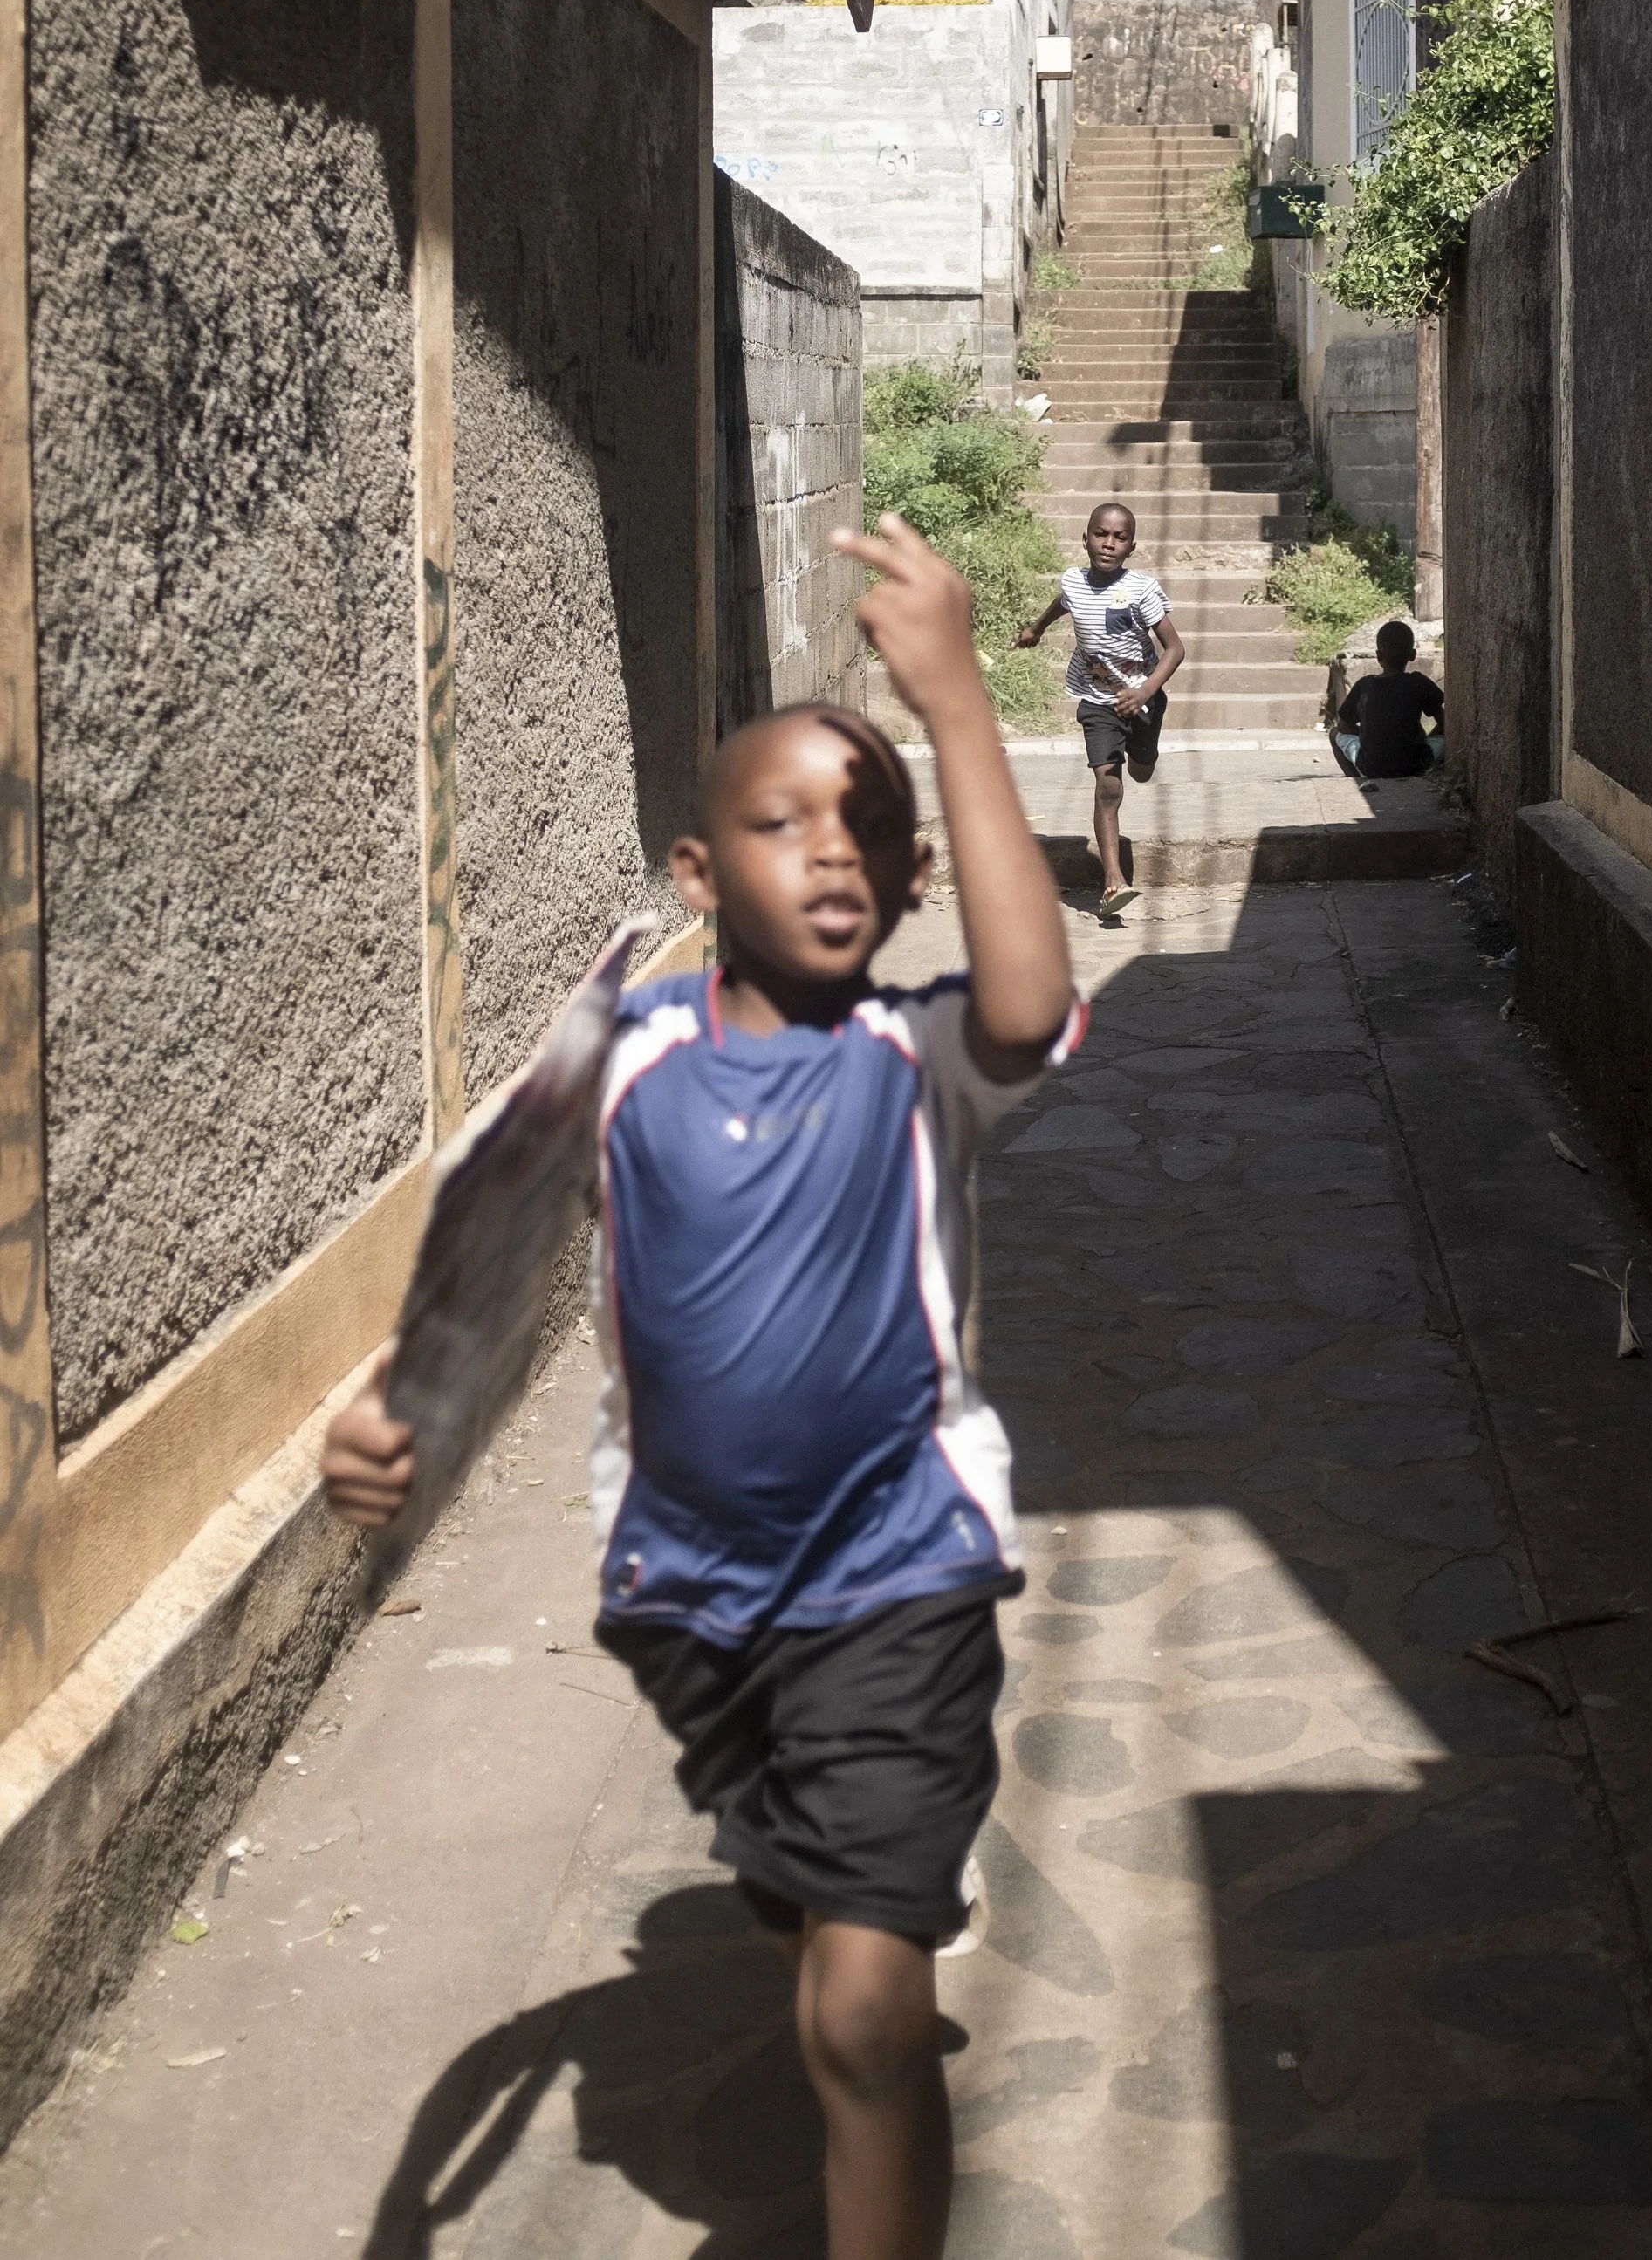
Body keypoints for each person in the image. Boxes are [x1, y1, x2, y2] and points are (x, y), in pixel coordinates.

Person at [323, 512, 1080, 2260]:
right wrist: (395, 1412)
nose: (834, 854)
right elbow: (485, 1244)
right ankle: (842, 1869)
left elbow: (1032, 1007)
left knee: (860, 2023)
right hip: (691, 1597)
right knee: (799, 1904)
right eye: (782, 822)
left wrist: (955, 704)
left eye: (870, 831)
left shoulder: (918, 1068)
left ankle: (878, 1923)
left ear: (907, 883)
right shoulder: (624, 1059)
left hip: (901, 1572)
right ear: (692, 871)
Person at [1013, 498, 1185, 924]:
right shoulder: (1073, 581)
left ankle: (1146, 751)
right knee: (1108, 784)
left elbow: (1175, 649)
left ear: (1131, 547)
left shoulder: (1142, 590)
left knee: (1141, 770)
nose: (1109, 544)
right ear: (1085, 538)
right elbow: (1063, 602)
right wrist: (1037, 628)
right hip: (1096, 698)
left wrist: (1145, 691)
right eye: (1101, 534)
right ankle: (1113, 882)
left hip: (1143, 698)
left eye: (1120, 538)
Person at [1333, 618, 1444, 783]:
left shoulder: (1364, 686)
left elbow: (1343, 726)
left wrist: (1366, 736)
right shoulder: (1418, 682)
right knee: (1451, 736)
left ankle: (1357, 780)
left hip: (1371, 767)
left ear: (1378, 655)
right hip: (1416, 764)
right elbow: (1446, 722)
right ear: (1413, 655)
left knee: (1334, 733)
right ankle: (1435, 775)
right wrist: (1422, 742)